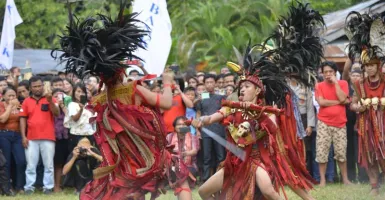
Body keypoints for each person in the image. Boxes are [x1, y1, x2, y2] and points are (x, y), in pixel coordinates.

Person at [54, 3, 190, 199]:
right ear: (120, 70)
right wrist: (168, 83)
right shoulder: (133, 89)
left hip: (121, 159)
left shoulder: (100, 98)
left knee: (131, 193)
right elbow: (166, 103)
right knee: (179, 175)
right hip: (145, 155)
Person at [350, 50, 385, 195]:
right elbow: (352, 104)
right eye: (367, 65)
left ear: (378, 66)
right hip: (367, 125)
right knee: (370, 155)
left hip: (383, 125)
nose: (370, 68)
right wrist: (359, 107)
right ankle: (374, 186)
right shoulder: (360, 84)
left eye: (372, 65)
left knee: (383, 154)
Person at [20, 76, 59, 195]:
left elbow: (57, 113)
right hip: (31, 137)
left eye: (39, 86)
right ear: (30, 88)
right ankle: (29, 188)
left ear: (43, 85)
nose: (37, 88)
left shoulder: (50, 98)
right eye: (34, 86)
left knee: (49, 165)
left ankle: (48, 187)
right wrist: (23, 137)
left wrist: (50, 100)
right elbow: (22, 119)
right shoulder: (26, 101)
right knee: (31, 165)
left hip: (48, 137)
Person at [315, 61, 352, 187]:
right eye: (325, 72)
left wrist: (336, 83)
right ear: (322, 73)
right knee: (321, 152)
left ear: (335, 72)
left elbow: (343, 98)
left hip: (340, 123)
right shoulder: (319, 85)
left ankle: (345, 179)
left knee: (341, 152)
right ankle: (322, 181)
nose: (328, 74)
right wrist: (340, 102)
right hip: (323, 123)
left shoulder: (343, 83)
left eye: (330, 71)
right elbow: (321, 103)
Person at [166, 116, 199, 200]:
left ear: (187, 127)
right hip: (173, 167)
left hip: (189, 166)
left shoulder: (192, 136)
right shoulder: (169, 137)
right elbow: (165, 152)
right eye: (178, 124)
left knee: (181, 172)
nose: (181, 126)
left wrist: (185, 153)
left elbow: (194, 150)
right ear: (174, 126)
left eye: (183, 124)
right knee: (177, 170)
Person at [0, 87, 24, 195]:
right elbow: (3, 119)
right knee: (7, 162)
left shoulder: (20, 106)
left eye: (13, 95)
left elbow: (24, 119)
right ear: (3, 96)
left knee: (21, 161)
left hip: (18, 135)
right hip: (4, 134)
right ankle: (7, 188)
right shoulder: (1, 105)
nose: (11, 97)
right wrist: (10, 106)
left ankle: (19, 186)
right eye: (9, 95)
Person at [64, 83, 96, 151]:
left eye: (83, 92)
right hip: (77, 135)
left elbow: (93, 121)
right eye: (78, 91)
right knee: (77, 156)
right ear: (74, 92)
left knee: (89, 157)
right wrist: (81, 109)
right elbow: (75, 119)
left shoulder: (89, 105)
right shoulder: (72, 104)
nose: (80, 94)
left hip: (89, 134)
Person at [52, 89, 69, 192]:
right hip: (53, 136)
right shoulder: (50, 106)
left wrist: (63, 105)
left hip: (65, 136)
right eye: (56, 96)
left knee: (63, 162)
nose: (58, 98)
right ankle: (56, 186)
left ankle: (63, 184)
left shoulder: (68, 106)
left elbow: (70, 116)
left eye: (61, 96)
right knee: (56, 163)